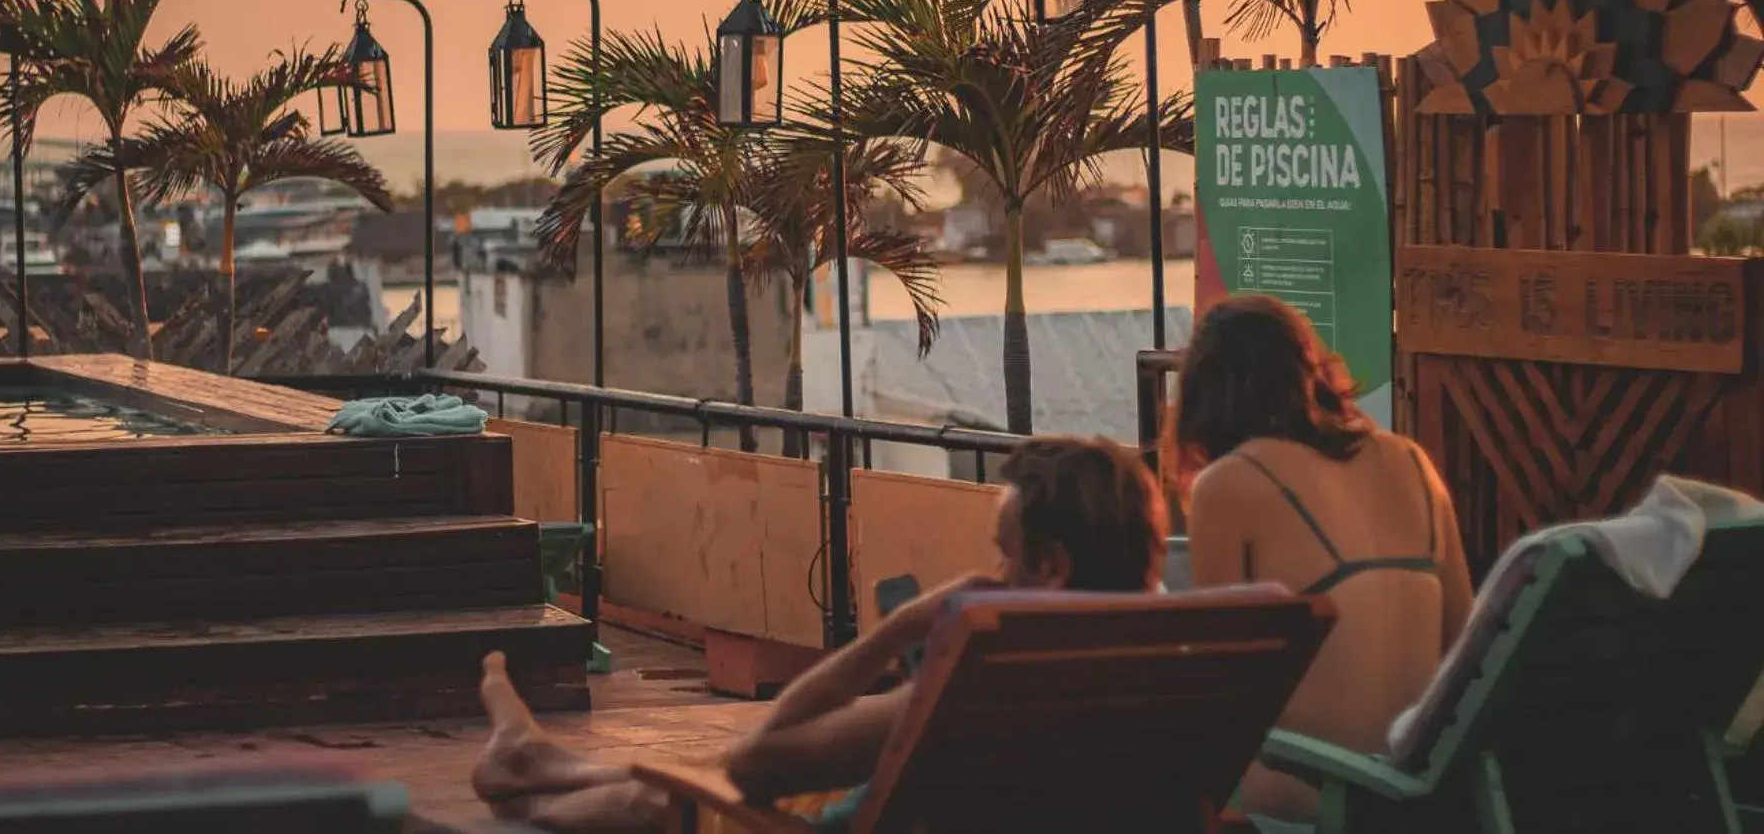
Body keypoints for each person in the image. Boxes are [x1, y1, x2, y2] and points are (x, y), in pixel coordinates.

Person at [468, 435, 1167, 832]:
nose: (991, 570)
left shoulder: (992, 685)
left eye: (1004, 551)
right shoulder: (1171, 658)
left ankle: (530, 786)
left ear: (1051, 565)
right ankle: (537, 765)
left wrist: (903, 627)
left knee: (693, 796)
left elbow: (757, 761)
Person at [1175, 295, 1472, 823]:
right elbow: (1463, 646)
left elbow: (1221, 691)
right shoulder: (1411, 461)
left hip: (1316, 795)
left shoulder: (1230, 483)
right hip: (1421, 795)